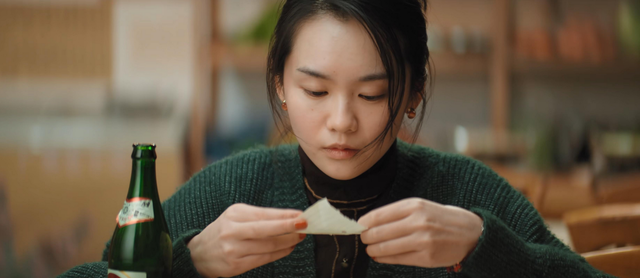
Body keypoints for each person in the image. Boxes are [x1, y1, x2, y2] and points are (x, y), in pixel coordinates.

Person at [61, 0, 612, 277]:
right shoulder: (229, 189)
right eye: (316, 91)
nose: (342, 121)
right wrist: (190, 265)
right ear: (280, 84)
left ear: (413, 91)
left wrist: (483, 246)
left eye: (372, 95)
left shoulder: (464, 192)